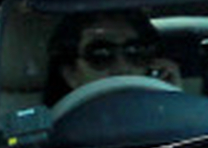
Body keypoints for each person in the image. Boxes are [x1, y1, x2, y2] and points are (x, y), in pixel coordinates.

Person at [47, 9, 182, 100]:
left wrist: (173, 98)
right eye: (101, 55)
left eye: (135, 52)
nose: (122, 68)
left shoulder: (169, 123)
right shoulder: (52, 135)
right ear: (71, 74)